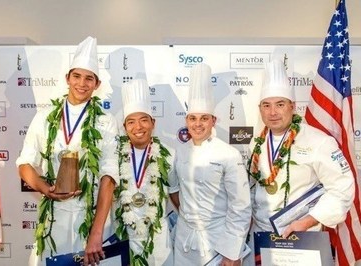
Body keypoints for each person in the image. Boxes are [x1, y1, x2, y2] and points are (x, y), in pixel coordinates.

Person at [16, 36, 119, 266]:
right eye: (77, 76)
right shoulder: (44, 117)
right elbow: (24, 163)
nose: (82, 83)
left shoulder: (106, 121)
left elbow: (109, 176)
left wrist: (96, 233)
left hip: (91, 216)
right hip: (53, 220)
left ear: (97, 84)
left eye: (89, 78)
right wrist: (45, 188)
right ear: (67, 78)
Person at [245, 59, 355, 264]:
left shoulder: (319, 141)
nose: (273, 112)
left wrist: (306, 222)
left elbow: (342, 188)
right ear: (260, 109)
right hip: (261, 235)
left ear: (293, 106)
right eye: (266, 105)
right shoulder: (256, 143)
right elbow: (252, 187)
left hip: (302, 236)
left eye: (280, 104)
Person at [169, 63, 252, 266]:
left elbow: (240, 206)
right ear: (186, 121)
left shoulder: (229, 154)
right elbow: (173, 188)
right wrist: (190, 217)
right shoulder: (179, 150)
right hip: (184, 239)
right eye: (193, 118)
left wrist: (232, 253)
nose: (198, 124)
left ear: (213, 120)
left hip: (217, 242)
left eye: (204, 118)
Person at [113, 79, 174, 265]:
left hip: (158, 238)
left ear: (153, 123)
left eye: (143, 120)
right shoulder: (114, 156)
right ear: (124, 127)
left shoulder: (169, 154)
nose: (138, 127)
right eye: (131, 122)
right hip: (123, 235)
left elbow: (177, 195)